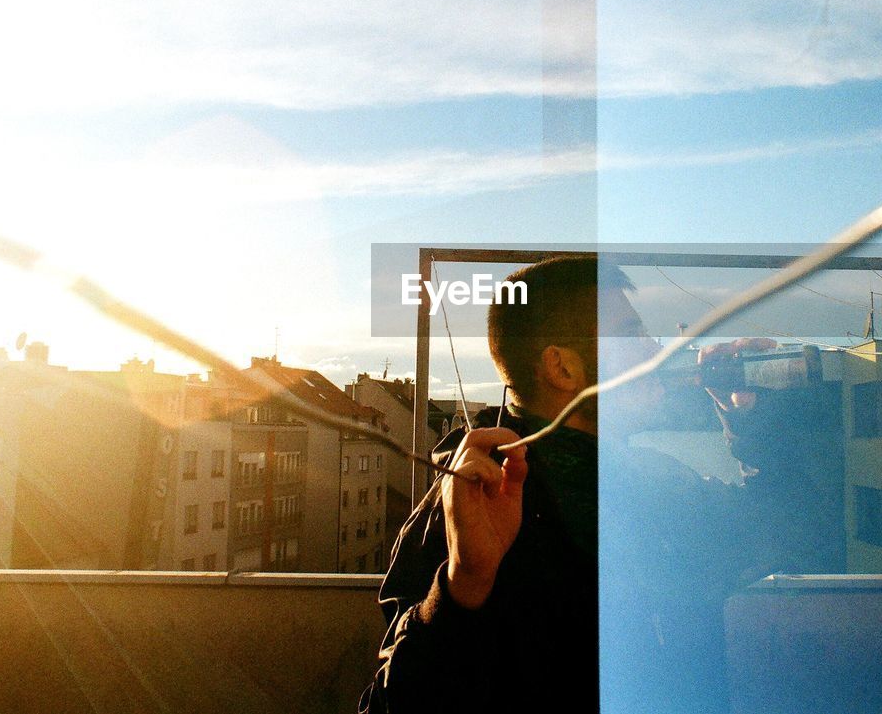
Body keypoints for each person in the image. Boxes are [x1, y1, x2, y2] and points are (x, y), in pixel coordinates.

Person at [359, 255, 843, 713]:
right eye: (632, 335)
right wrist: (464, 584)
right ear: (563, 369)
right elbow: (392, 705)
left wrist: (750, 419)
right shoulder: (466, 504)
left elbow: (793, 532)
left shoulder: (653, 482)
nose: (657, 351)